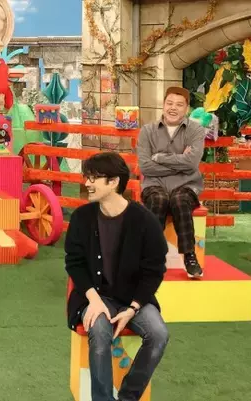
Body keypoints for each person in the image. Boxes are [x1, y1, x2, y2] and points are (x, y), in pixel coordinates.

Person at [65, 152, 170, 401]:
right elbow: (74, 263)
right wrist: (94, 300)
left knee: (159, 334)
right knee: (99, 330)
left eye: (94, 178)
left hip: (133, 298)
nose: (87, 183)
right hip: (94, 295)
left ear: (113, 182)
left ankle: (127, 397)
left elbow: (154, 270)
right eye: (87, 177)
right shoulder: (81, 218)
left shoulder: (145, 221)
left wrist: (133, 308)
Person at [137, 86, 206, 279]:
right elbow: (145, 167)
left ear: (187, 108)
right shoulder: (147, 131)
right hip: (154, 184)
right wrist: (180, 162)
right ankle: (150, 257)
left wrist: (160, 157)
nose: (173, 108)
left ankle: (189, 256)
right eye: (169, 103)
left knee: (179, 199)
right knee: (158, 199)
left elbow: (192, 164)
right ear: (163, 105)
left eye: (179, 105)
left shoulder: (196, 130)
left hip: (187, 185)